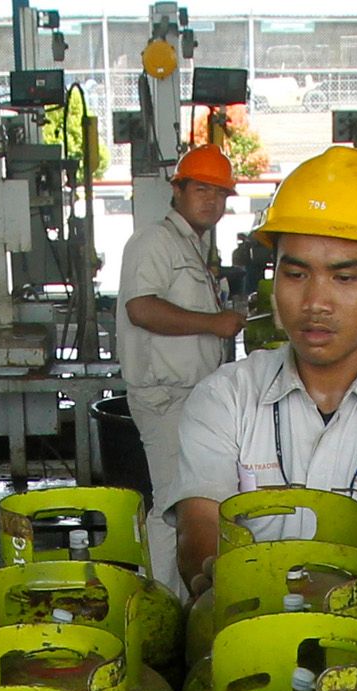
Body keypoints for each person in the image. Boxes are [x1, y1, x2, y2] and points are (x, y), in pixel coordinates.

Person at [169, 147, 357, 613]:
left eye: (345, 278)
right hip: (246, 639)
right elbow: (200, 520)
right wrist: (217, 576)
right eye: (295, 274)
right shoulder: (224, 398)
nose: (316, 302)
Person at [119, 143, 243, 588]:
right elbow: (141, 310)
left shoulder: (192, 247)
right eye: (200, 189)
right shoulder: (154, 242)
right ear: (178, 190)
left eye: (220, 193)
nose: (211, 200)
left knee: (188, 497)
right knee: (173, 503)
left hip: (192, 396)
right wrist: (215, 323)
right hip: (164, 394)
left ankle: (173, 598)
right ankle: (162, 602)